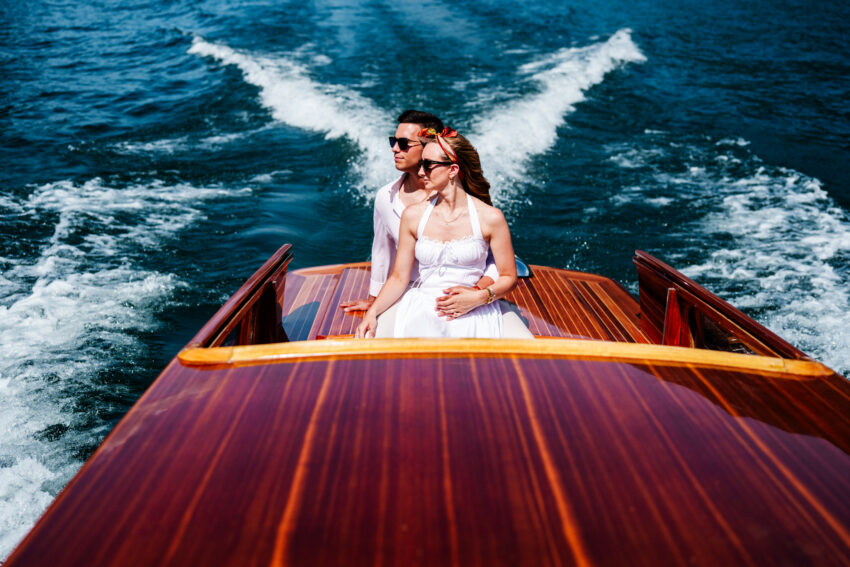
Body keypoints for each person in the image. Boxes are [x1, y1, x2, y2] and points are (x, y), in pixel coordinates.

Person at [340, 110, 498, 331]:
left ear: (429, 147)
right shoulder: (386, 197)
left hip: (466, 295)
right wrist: (374, 300)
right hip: (407, 294)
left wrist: (478, 292)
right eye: (393, 141)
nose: (395, 148)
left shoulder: (468, 198)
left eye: (404, 143)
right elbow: (382, 252)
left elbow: (494, 260)